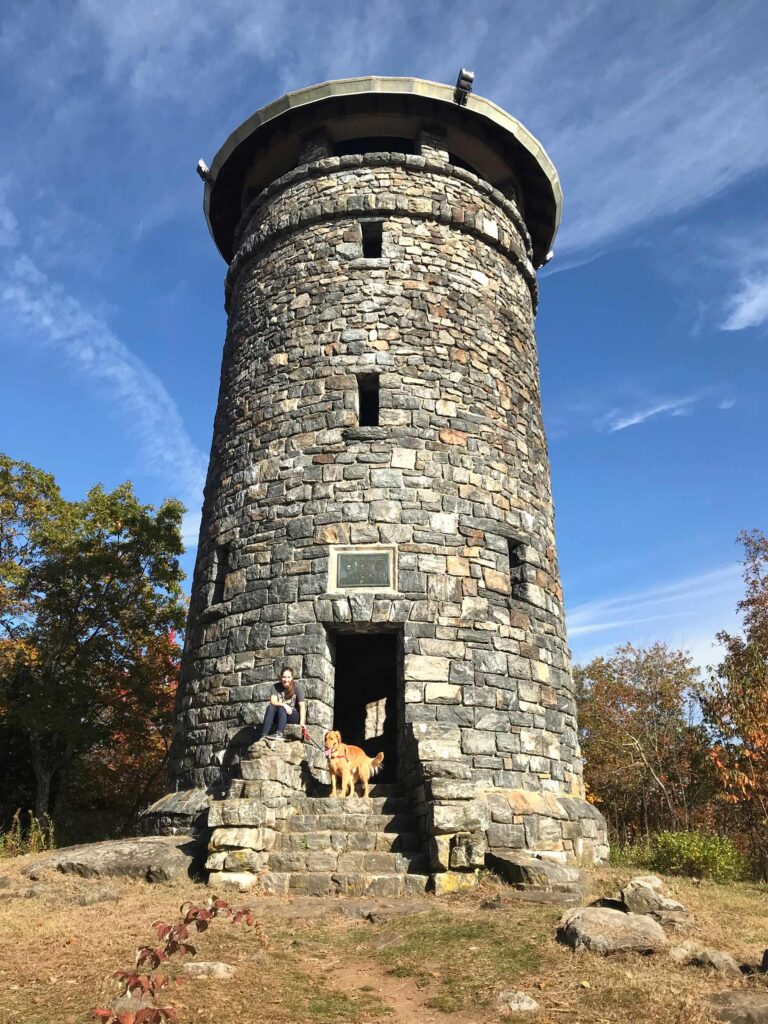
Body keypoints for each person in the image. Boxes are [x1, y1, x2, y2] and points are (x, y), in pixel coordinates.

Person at [261, 666, 306, 742]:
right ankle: (263, 735)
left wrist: (302, 722)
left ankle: (279, 734)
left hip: (292, 715)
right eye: (284, 677)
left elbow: (302, 706)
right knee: (271, 707)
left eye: (288, 677)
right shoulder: (275, 687)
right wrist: (284, 705)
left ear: (292, 678)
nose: (286, 679)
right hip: (279, 715)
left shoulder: (297, 687)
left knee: (282, 709)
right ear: (281, 677)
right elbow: (273, 701)